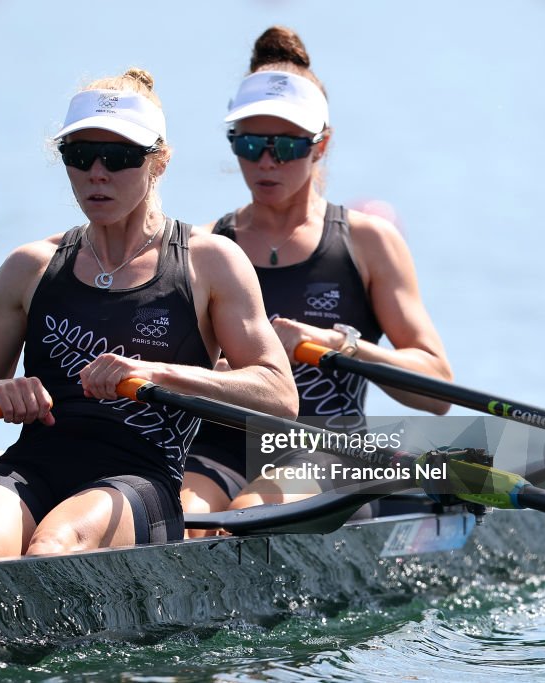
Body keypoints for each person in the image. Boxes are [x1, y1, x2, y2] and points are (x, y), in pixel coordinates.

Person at [0, 68, 297, 563]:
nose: (98, 173)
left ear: (160, 162)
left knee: (53, 546)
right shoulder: (29, 266)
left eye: (122, 157)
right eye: (80, 156)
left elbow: (280, 397)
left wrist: (155, 374)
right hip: (30, 467)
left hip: (140, 482)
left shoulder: (209, 262)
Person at [180, 27, 453, 528]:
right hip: (223, 448)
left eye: (285, 146)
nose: (265, 161)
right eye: (248, 143)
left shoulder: (368, 243)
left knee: (250, 516)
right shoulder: (205, 247)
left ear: (320, 145)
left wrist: (337, 344)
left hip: (331, 451)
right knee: (182, 518)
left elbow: (436, 391)